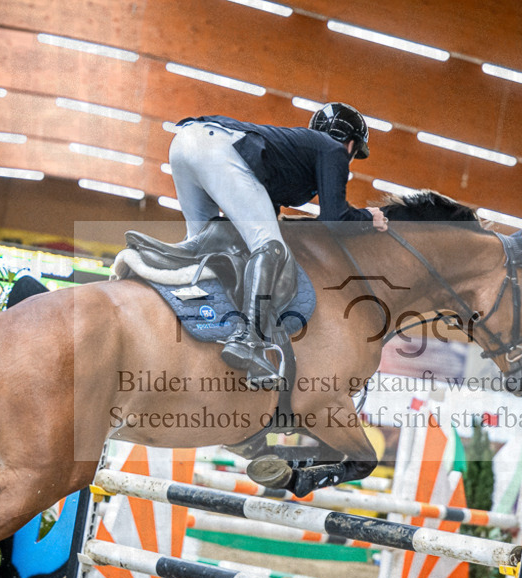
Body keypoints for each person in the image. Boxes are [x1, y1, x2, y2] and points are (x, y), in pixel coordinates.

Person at [165, 102, 389, 384]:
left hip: (184, 142)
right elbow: (335, 218)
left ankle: (192, 318)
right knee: (271, 248)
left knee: (203, 246)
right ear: (351, 145)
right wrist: (369, 218)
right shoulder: (333, 150)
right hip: (215, 148)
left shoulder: (294, 155)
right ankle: (248, 340)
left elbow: (264, 212)